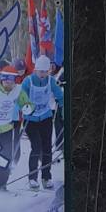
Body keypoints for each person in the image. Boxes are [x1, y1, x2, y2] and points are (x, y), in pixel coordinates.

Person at [22, 56, 66, 189]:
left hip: (46, 118)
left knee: (47, 148)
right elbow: (20, 99)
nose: (42, 74)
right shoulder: (28, 81)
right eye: (40, 71)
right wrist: (25, 107)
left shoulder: (51, 81)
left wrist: (62, 107)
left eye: (45, 72)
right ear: (35, 70)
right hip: (31, 119)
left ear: (48, 71)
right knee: (36, 147)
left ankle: (46, 177)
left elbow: (60, 96)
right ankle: (32, 177)